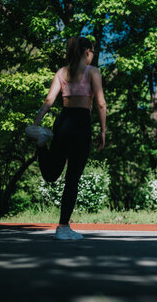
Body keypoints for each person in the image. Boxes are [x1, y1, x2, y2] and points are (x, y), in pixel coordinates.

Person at [25, 36, 107, 240]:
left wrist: (35, 125)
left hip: (63, 122)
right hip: (81, 124)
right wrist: (103, 131)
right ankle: (63, 227)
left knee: (52, 174)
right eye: (93, 52)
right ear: (87, 51)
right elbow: (101, 104)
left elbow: (48, 101)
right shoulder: (93, 72)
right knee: (72, 179)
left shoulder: (62, 72)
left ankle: (41, 144)